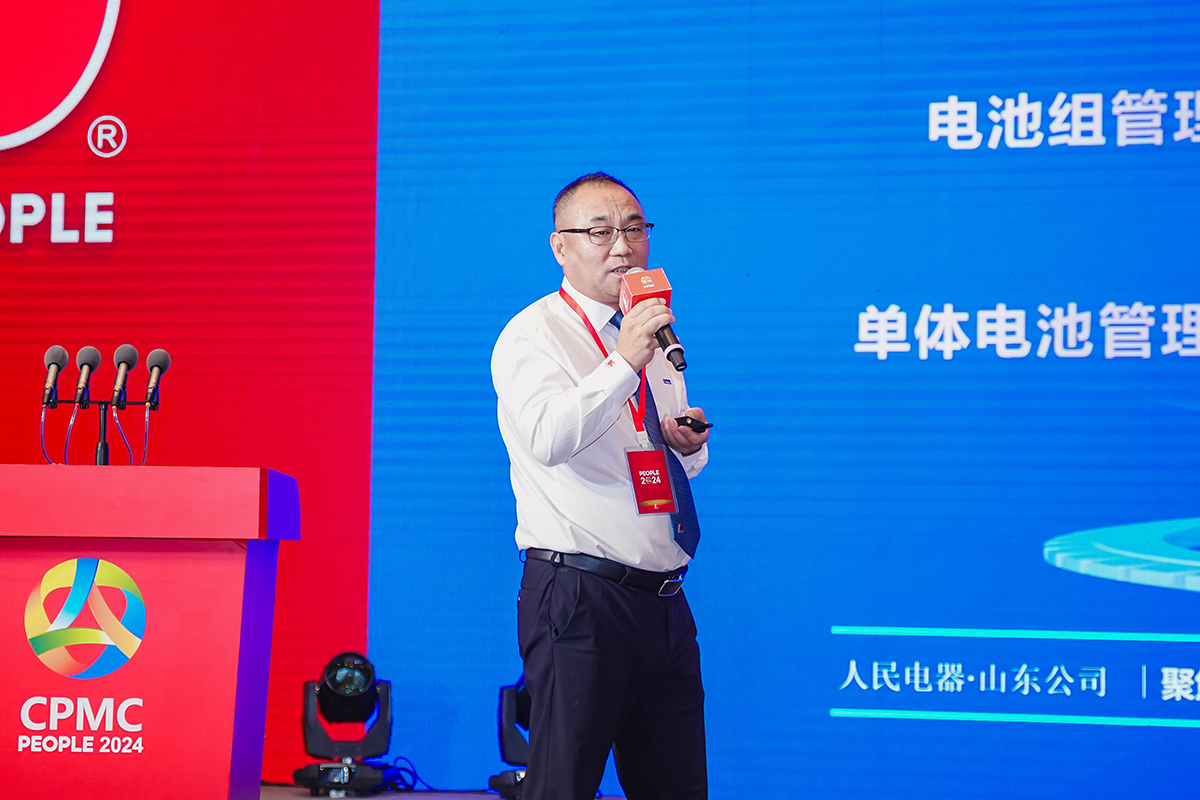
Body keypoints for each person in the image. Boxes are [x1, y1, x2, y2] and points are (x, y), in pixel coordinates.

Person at [491, 172, 711, 800]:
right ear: (560, 247)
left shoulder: (648, 331)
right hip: (581, 597)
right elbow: (547, 438)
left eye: (634, 229)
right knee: (562, 786)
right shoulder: (534, 334)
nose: (622, 245)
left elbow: (649, 451)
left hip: (663, 602)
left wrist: (685, 444)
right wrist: (623, 363)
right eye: (600, 231)